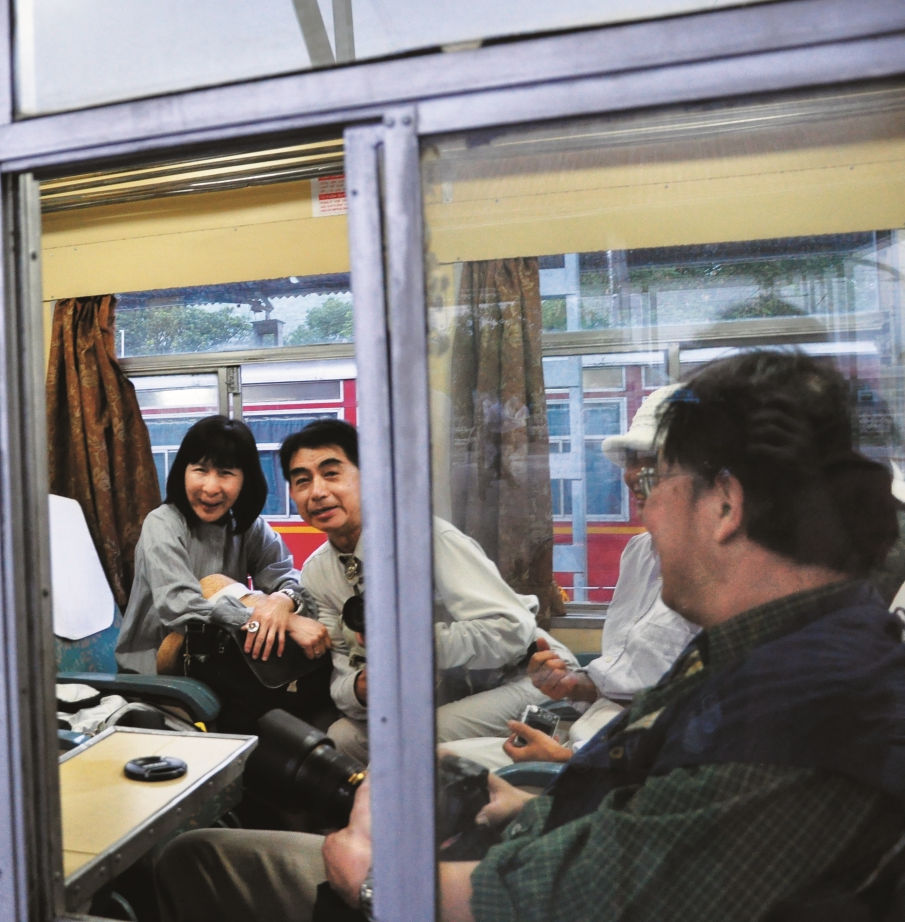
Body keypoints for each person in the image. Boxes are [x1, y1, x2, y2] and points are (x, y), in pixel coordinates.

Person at [431, 350, 905, 922]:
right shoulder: (766, 651)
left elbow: (570, 902)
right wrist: (532, 810)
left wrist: (372, 881)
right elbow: (643, 796)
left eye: (655, 479)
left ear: (726, 503)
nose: (647, 511)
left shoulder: (800, 710)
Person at [442, 386, 700, 769]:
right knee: (435, 759)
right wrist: (573, 686)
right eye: (631, 460)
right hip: (589, 734)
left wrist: (567, 761)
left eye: (652, 461)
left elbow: (688, 732)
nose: (632, 476)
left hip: (619, 761)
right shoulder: (640, 553)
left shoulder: (727, 576)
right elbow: (626, 675)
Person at [278, 418, 565, 758]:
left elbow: (513, 629)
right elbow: (342, 672)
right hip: (437, 696)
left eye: (331, 473)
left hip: (532, 677)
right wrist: (359, 689)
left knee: (414, 737)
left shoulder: (427, 539)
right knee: (342, 737)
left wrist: (416, 649)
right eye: (301, 481)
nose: (317, 492)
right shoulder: (318, 571)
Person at [116, 415, 331, 733]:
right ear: (183, 472)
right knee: (215, 587)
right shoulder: (163, 523)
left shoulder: (249, 527)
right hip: (160, 668)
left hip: (220, 661)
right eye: (200, 470)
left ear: (245, 480)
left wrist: (284, 604)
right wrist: (262, 616)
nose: (210, 487)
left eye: (226, 473)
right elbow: (180, 606)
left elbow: (290, 579)